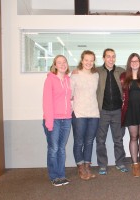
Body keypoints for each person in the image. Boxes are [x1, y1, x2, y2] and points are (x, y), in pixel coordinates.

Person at [96, 48, 128, 175]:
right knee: (100, 140)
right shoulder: (97, 71)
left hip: (118, 111)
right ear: (103, 58)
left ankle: (120, 163)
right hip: (102, 111)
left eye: (113, 56)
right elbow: (83, 72)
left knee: (118, 139)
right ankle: (102, 164)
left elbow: (133, 77)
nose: (111, 59)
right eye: (108, 56)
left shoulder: (121, 71)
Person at [42, 55, 72, 186]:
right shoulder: (50, 80)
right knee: (53, 148)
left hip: (66, 119)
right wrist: (49, 122)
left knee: (61, 148)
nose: (62, 64)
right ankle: (54, 176)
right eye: (59, 62)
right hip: (53, 120)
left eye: (64, 62)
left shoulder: (68, 80)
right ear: (54, 65)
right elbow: (46, 102)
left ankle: (61, 175)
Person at [70, 50, 99, 180]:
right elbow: (69, 94)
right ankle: (81, 168)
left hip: (93, 113)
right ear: (82, 60)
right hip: (79, 113)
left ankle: (87, 166)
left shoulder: (96, 75)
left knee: (89, 141)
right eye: (86, 60)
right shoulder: (75, 75)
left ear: (94, 62)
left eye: (91, 60)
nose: (88, 62)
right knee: (79, 142)